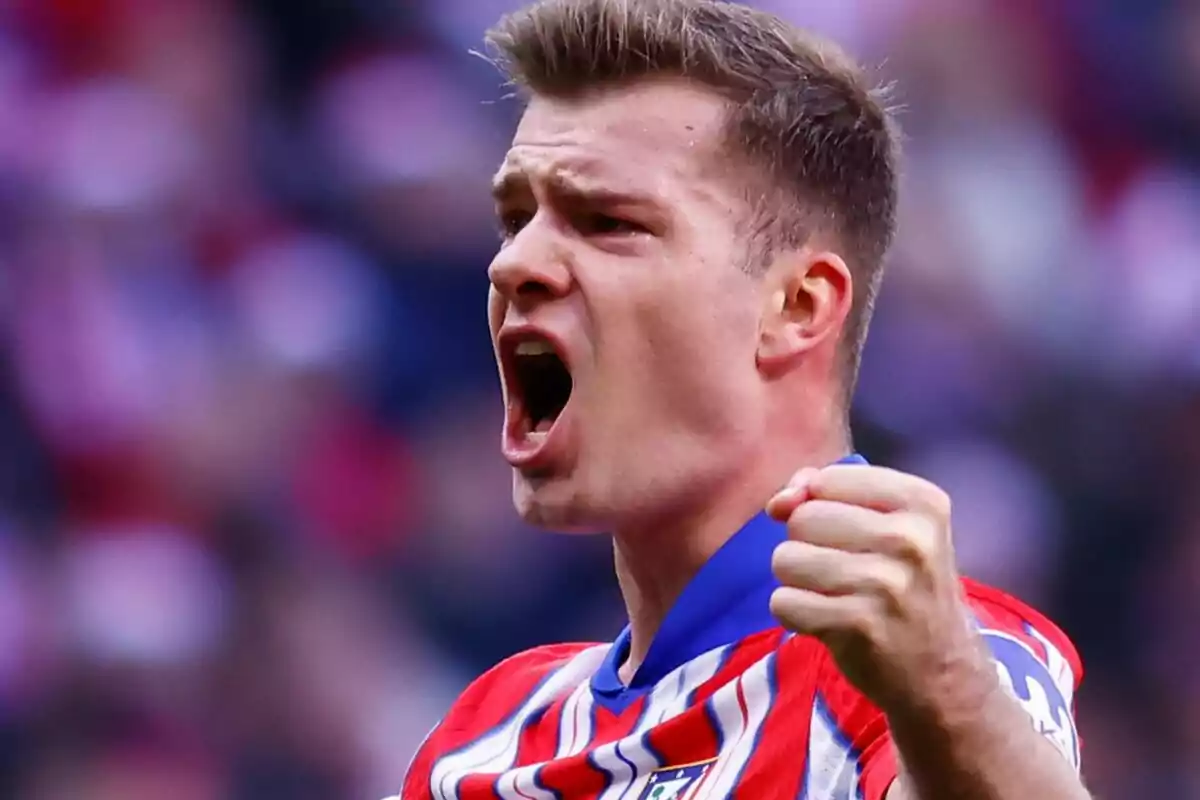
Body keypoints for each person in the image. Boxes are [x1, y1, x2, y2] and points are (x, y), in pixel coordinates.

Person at [398, 0, 1090, 797]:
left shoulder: (931, 675)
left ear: (797, 307)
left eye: (607, 221)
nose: (515, 263)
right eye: (515, 219)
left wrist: (948, 689)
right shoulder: (482, 738)